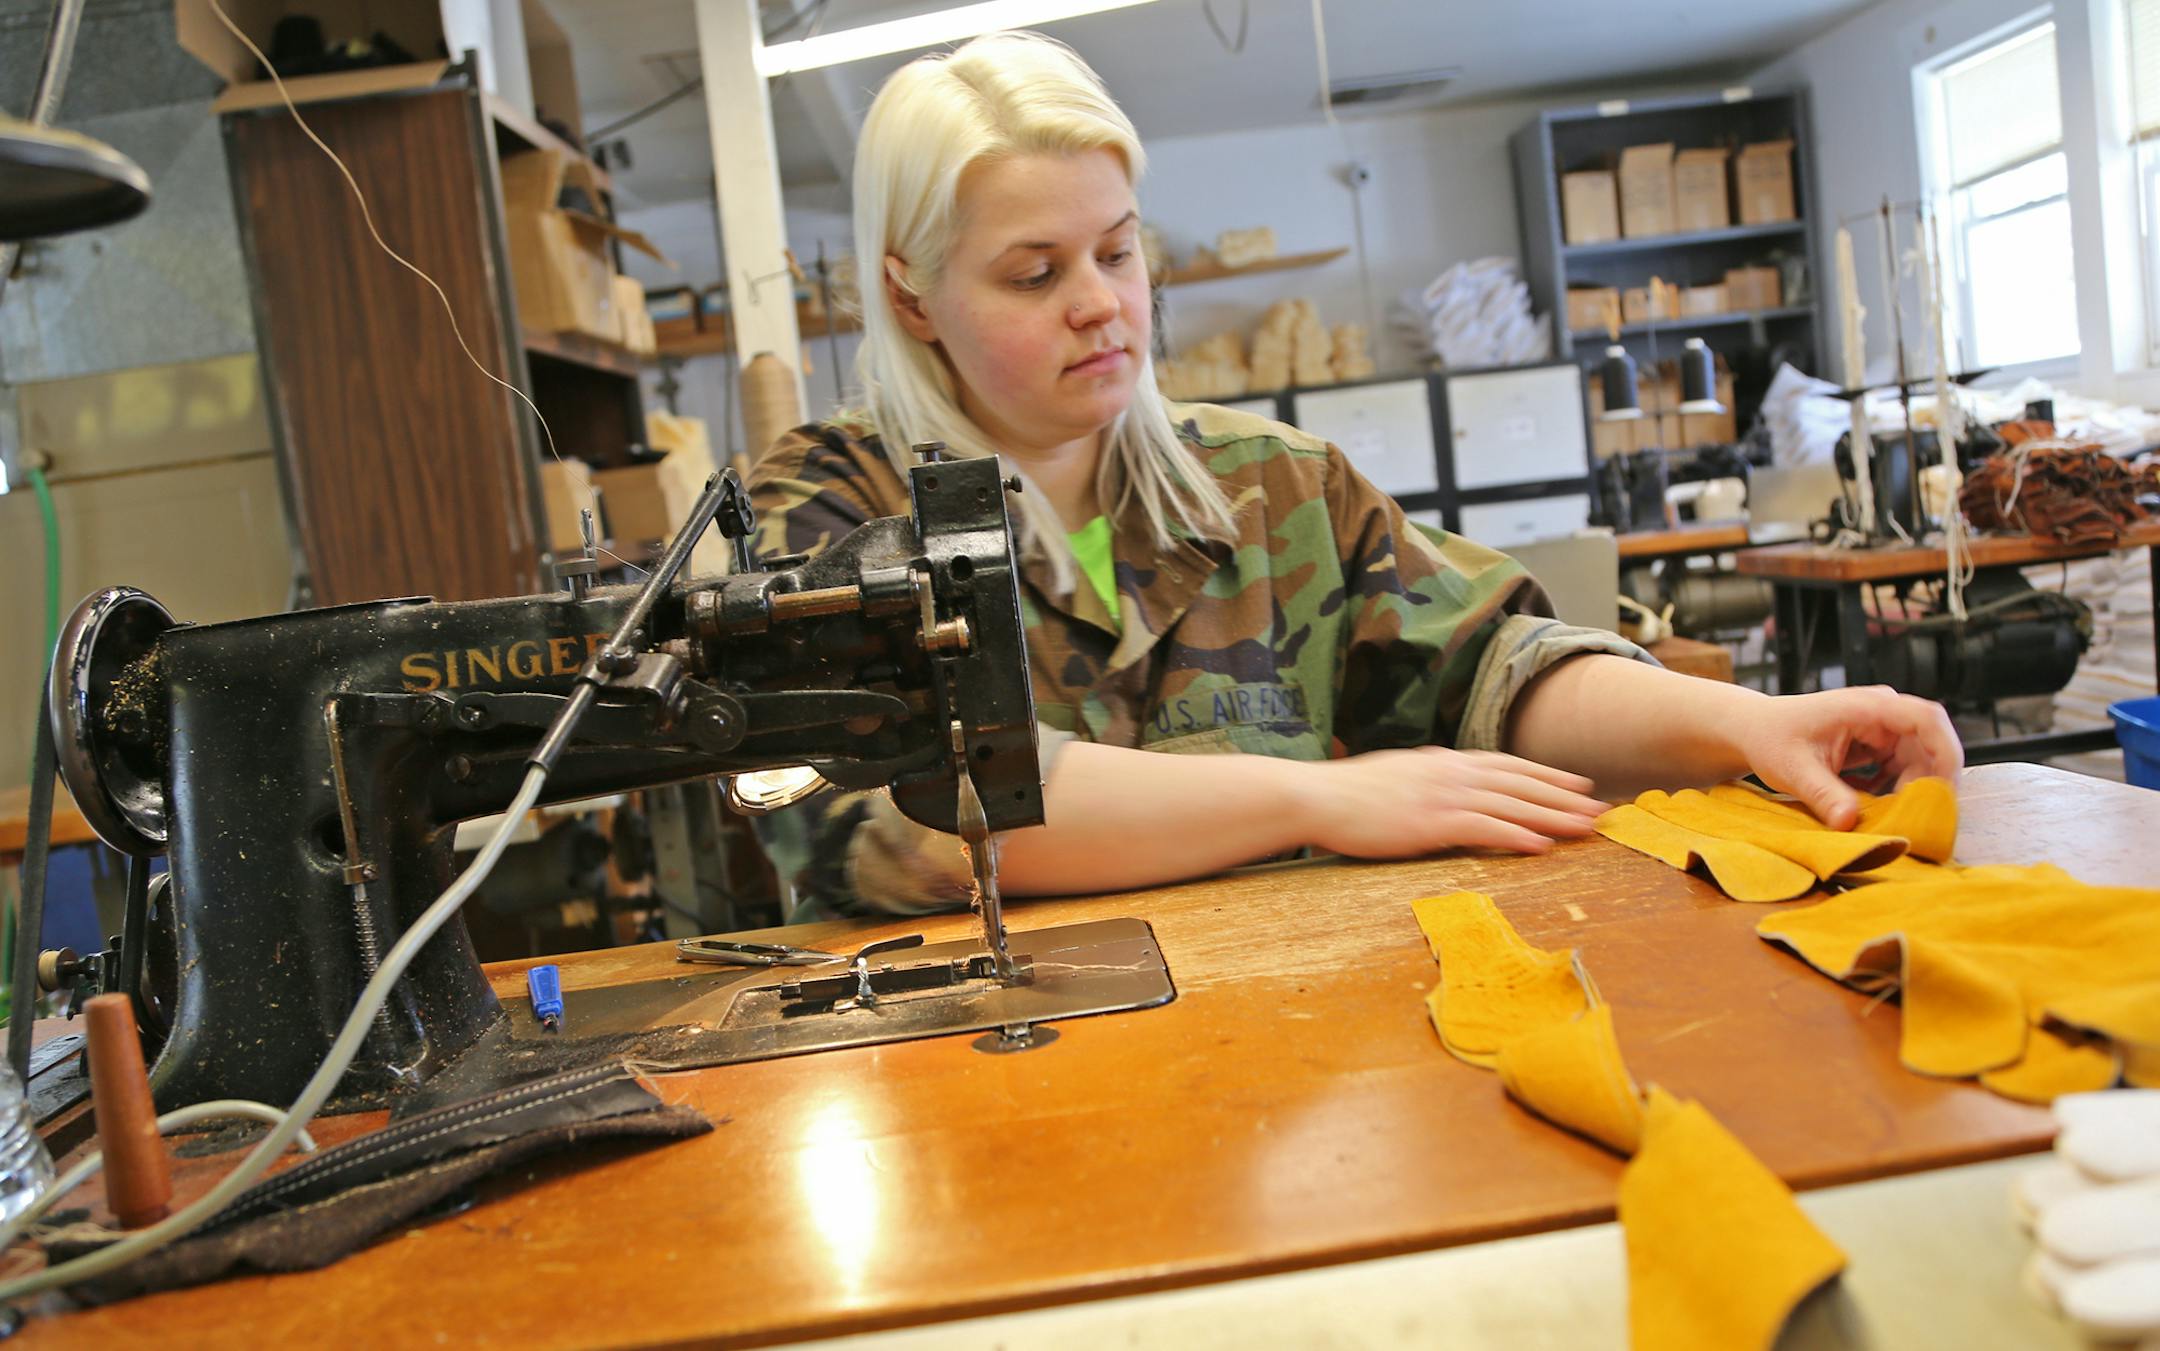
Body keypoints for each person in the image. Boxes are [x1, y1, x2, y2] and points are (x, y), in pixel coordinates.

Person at [747, 31, 1961, 921]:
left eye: (1119, 253)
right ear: (909, 291)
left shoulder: (1269, 486)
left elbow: (1494, 663)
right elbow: (917, 819)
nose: (1101, 306)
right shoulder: (826, 519)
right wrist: (1317, 799)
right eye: (1032, 274)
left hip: (1298, 1043)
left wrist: (1746, 724)